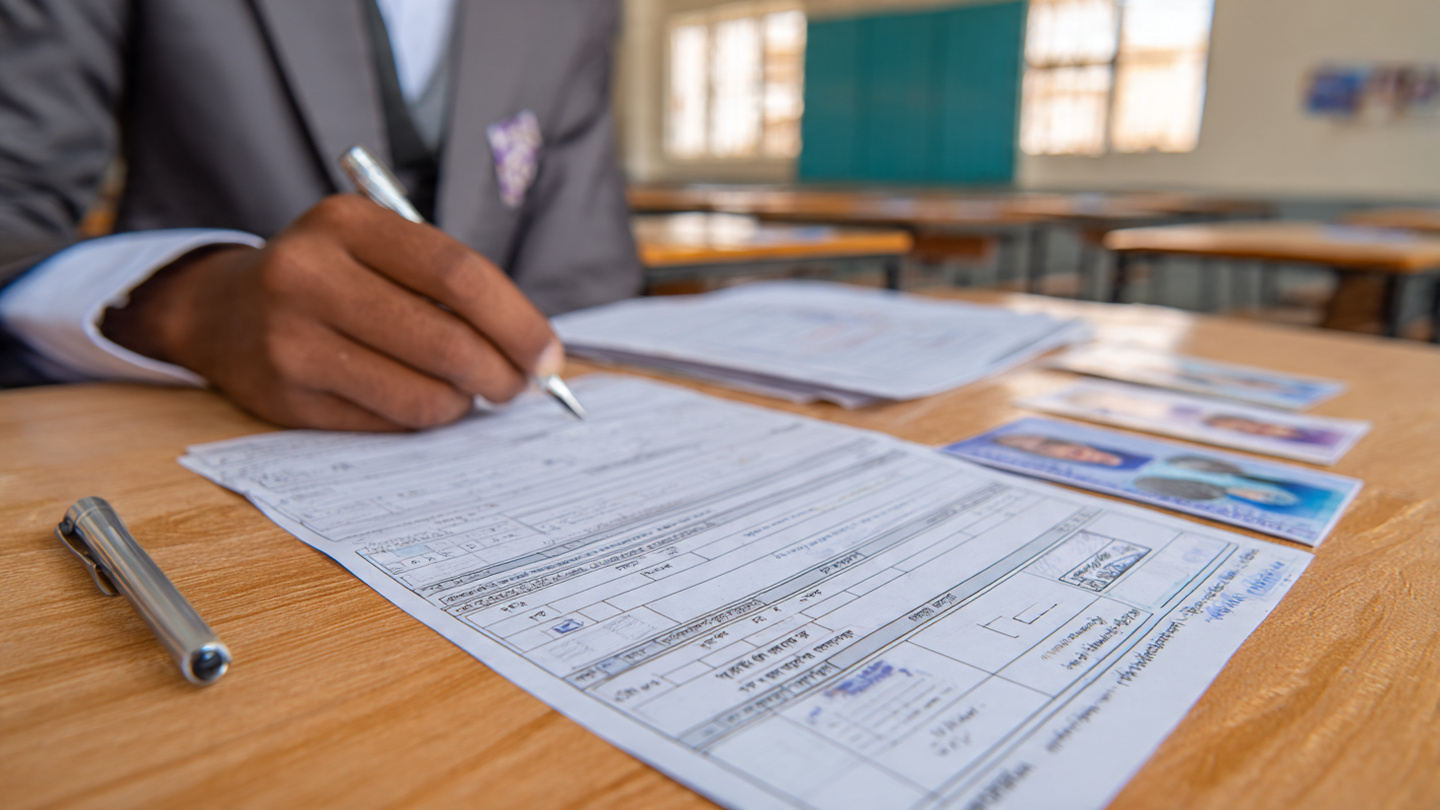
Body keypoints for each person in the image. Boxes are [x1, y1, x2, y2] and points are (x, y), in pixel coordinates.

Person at [0, 0, 642, 431]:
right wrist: (183, 310)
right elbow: (14, 207)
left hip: (485, 451)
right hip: (173, 443)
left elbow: (586, 276)